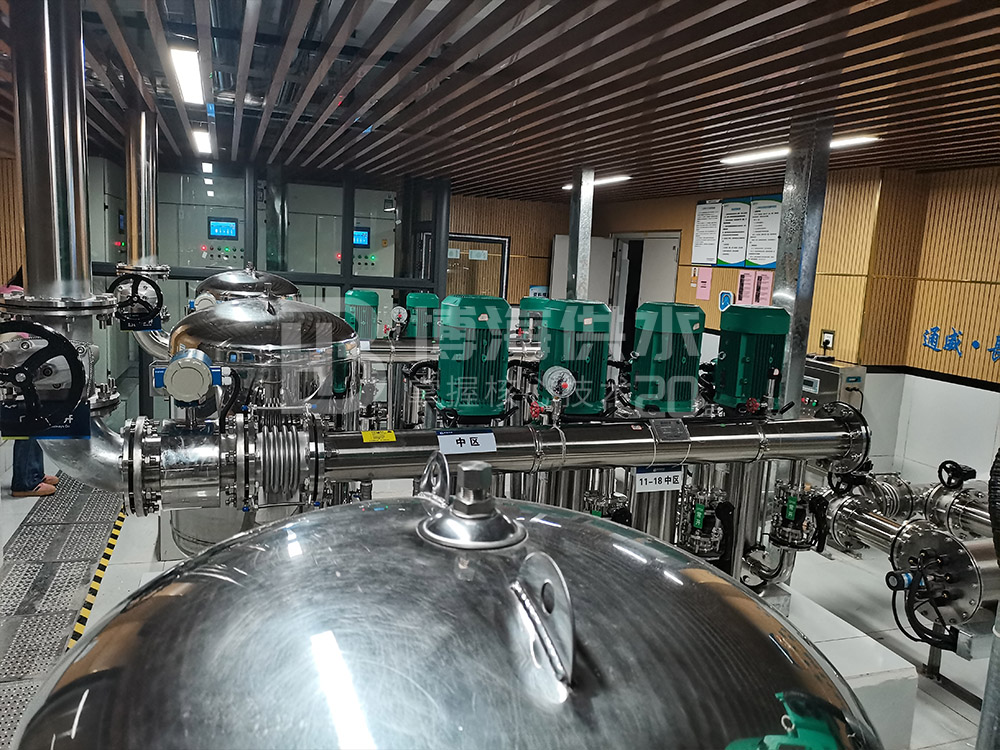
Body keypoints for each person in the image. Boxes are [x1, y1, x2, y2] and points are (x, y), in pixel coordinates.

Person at [1, 267, 59, 497]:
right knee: (30, 420)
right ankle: (25, 482)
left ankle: (34, 473)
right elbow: (27, 339)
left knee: (32, 419)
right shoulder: (23, 300)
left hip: (13, 373)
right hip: (19, 372)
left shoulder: (8, 294)